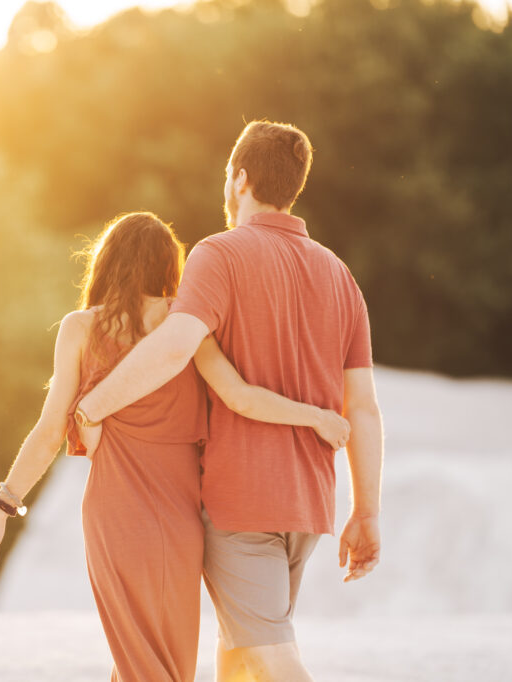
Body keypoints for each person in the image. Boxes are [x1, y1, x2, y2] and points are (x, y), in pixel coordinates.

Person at [0, 211, 351, 681]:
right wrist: (317, 417)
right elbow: (240, 397)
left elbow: (49, 431)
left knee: (141, 661)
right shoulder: (186, 327)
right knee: (157, 661)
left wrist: (0, 508)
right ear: (171, 267)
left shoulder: (81, 328)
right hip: (180, 519)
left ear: (107, 264)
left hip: (115, 516)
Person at [73, 121, 385, 682]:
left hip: (242, 501)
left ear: (239, 179)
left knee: (269, 659)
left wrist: (91, 407)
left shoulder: (220, 254)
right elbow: (362, 407)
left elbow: (173, 349)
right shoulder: (341, 276)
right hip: (309, 504)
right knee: (241, 661)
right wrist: (365, 512)